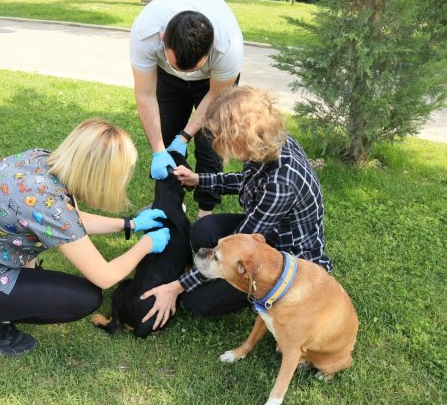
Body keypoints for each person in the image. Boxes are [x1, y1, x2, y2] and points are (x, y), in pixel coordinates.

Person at [0, 119, 170, 356]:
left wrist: (130, 224)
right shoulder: (50, 206)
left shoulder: (40, 160)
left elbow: (71, 220)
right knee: (86, 298)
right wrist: (147, 243)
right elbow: (105, 276)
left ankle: (0, 301)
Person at [140, 86, 332, 327]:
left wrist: (175, 287)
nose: (219, 145)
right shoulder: (270, 145)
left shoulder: (281, 184)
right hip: (264, 234)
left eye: (223, 138)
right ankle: (219, 276)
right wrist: (199, 179)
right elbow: (246, 181)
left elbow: (242, 245)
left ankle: (269, 294)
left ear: (242, 137)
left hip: (286, 258)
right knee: (202, 231)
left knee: (194, 301)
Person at [130, 0, 244, 218]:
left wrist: (186, 136)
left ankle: (205, 212)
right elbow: (145, 95)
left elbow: (215, 96)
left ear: (211, 45)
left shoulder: (228, 48)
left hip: (212, 84)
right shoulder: (145, 34)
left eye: (192, 69)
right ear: (163, 39)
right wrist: (158, 151)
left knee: (210, 146)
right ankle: (170, 205)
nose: (187, 75)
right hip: (167, 79)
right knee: (166, 134)